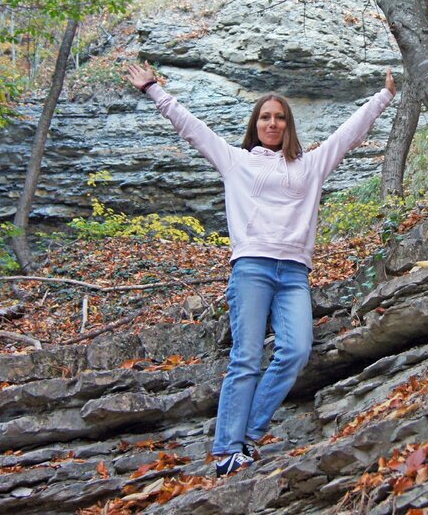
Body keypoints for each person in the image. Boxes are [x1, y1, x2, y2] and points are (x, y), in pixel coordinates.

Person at [122, 62, 396, 477]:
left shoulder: (310, 164)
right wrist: (153, 90)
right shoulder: (236, 162)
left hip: (293, 274)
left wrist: (383, 96)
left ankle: (247, 434)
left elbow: (348, 134)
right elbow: (191, 128)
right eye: (266, 117)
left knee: (297, 349)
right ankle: (227, 451)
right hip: (251, 267)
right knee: (247, 357)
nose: (273, 122)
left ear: (288, 125)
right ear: (256, 124)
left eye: (280, 117)